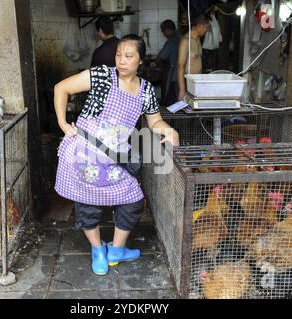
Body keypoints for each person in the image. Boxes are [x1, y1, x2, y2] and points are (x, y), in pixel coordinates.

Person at [54, 34, 180, 276]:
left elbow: (155, 121)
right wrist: (62, 123)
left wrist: (168, 129)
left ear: (140, 61)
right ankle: (97, 250)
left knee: (133, 200)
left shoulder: (146, 91)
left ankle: (117, 249)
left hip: (116, 157)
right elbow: (62, 88)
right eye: (119, 55)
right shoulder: (102, 75)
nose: (121, 60)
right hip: (86, 153)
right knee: (88, 204)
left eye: (129, 56)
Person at [177, 14, 210, 101]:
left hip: (197, 83)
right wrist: (182, 90)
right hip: (188, 84)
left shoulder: (198, 39)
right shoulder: (185, 41)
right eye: (206, 27)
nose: (207, 30)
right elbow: (180, 66)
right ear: (200, 26)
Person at [156, 20, 181, 106]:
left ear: (168, 30)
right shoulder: (181, 37)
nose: (164, 34)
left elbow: (160, 58)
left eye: (164, 32)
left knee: (170, 102)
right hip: (182, 76)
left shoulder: (171, 42)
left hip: (173, 77)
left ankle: (170, 119)